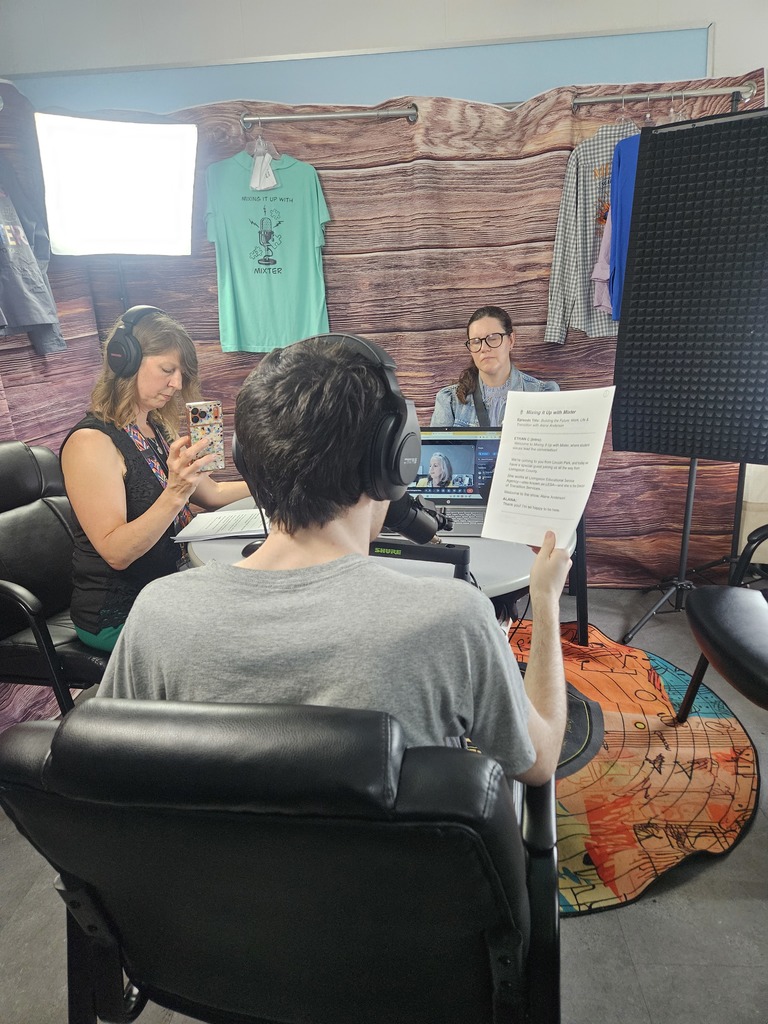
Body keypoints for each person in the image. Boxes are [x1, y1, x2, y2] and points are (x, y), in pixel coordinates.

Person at [98, 335, 571, 786]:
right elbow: (539, 759)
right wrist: (545, 600)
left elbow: (104, 767)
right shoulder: (454, 621)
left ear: (249, 459)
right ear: (394, 462)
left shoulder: (157, 613)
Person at [60, 307, 250, 651]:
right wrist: (176, 491)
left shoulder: (154, 427)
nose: (176, 383)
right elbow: (117, 552)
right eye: (167, 370)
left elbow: (214, 492)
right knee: (239, 635)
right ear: (125, 361)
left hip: (170, 586)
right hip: (120, 612)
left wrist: (275, 481)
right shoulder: (90, 443)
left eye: (180, 373)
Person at [431, 305, 559, 428]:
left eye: (492, 338)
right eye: (476, 342)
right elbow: (438, 449)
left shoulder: (543, 395)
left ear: (511, 340)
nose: (484, 348)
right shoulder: (449, 400)